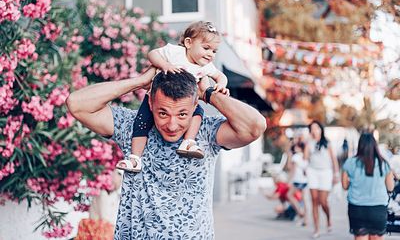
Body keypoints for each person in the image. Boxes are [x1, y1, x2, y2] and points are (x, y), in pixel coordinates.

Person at [66, 69, 266, 239]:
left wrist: (208, 93)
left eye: (182, 114)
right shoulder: (133, 127)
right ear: (151, 104)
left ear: (195, 107)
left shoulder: (206, 131)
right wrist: (139, 82)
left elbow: (254, 126)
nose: (172, 125)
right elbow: (77, 103)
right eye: (163, 113)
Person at [115, 21, 229, 172]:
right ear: (188, 43)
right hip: (159, 100)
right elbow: (152, 54)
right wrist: (164, 65)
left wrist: (221, 84)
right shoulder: (175, 52)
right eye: (206, 48)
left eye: (214, 51)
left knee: (198, 113)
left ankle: (188, 142)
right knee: (141, 124)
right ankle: (135, 159)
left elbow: (220, 76)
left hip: (183, 103)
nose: (210, 54)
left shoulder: (205, 66)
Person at [342, 133, 394, 240]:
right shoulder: (383, 164)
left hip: (357, 209)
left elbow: (344, 185)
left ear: (360, 145)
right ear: (375, 145)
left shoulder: (350, 163)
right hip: (378, 209)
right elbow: (390, 188)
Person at [306, 120, 340, 238]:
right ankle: (316, 229)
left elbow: (334, 159)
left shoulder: (327, 143)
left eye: (317, 128)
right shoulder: (309, 143)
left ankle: (328, 218)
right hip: (312, 172)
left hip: (326, 172)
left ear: (321, 129)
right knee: (314, 200)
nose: (315, 130)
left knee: (323, 201)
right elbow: (305, 159)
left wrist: (336, 174)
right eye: (312, 128)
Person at [286, 141, 308, 226]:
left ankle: (300, 211)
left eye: (297, 146)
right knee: (305, 200)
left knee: (289, 195)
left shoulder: (295, 157)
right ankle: (305, 220)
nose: (295, 147)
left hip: (297, 180)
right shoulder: (305, 156)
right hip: (305, 181)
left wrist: (289, 181)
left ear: (300, 148)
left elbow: (291, 169)